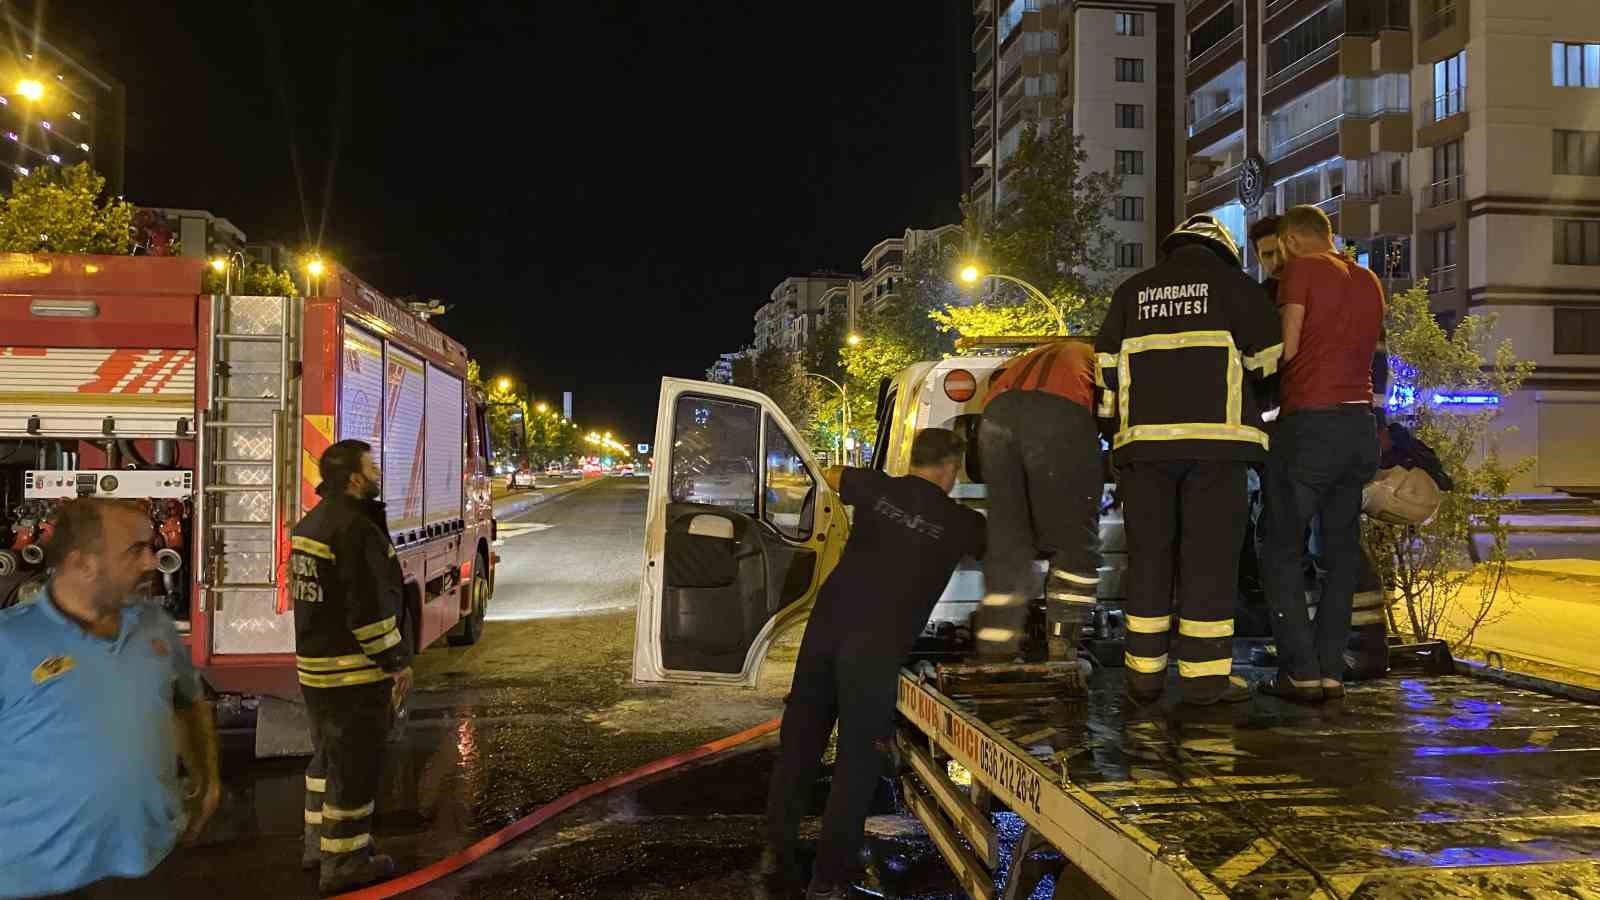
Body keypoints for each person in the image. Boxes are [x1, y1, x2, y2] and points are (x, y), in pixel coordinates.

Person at [761, 429, 985, 900]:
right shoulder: (960, 521)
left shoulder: (874, 487)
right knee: (857, 763)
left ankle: (776, 855)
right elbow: (1019, 545)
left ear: (913, 459)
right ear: (953, 468)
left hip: (825, 634)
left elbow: (830, 475)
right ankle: (829, 879)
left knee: (800, 746)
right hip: (875, 650)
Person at [1095, 214, 1283, 705]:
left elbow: (1106, 373)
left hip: (1143, 453)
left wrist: (1114, 436)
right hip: (1216, 449)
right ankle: (1202, 680)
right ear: (1223, 249)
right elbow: (1269, 360)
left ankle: (1144, 677)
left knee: (1150, 558)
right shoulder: (1237, 288)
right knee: (1209, 561)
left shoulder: (1131, 291)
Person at [0, 498, 219, 899]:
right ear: (83, 564)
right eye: (136, 551)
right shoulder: (9, 642)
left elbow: (186, 699)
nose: (153, 562)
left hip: (148, 863)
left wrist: (207, 777)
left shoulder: (153, 624)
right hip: (33, 881)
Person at [1257, 205, 1383, 702]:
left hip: (1310, 423)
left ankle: (1299, 672)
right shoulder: (1369, 279)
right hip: (1359, 426)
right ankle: (1332, 669)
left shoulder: (1301, 272)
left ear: (1289, 240)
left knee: (1281, 547)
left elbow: (1286, 349)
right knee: (1340, 555)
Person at [291, 439, 414, 894]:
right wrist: (396, 662)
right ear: (355, 477)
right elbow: (368, 610)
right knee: (355, 768)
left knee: (326, 759)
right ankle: (345, 865)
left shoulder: (313, 524)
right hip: (353, 674)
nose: (378, 471)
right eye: (372, 465)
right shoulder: (354, 530)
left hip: (316, 671)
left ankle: (317, 845)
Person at [975, 338, 1104, 663]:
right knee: (1074, 545)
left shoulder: (1030, 357)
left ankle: (997, 651)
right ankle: (1063, 651)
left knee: (1009, 543)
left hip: (995, 416)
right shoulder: (1098, 359)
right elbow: (1111, 419)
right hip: (1059, 413)